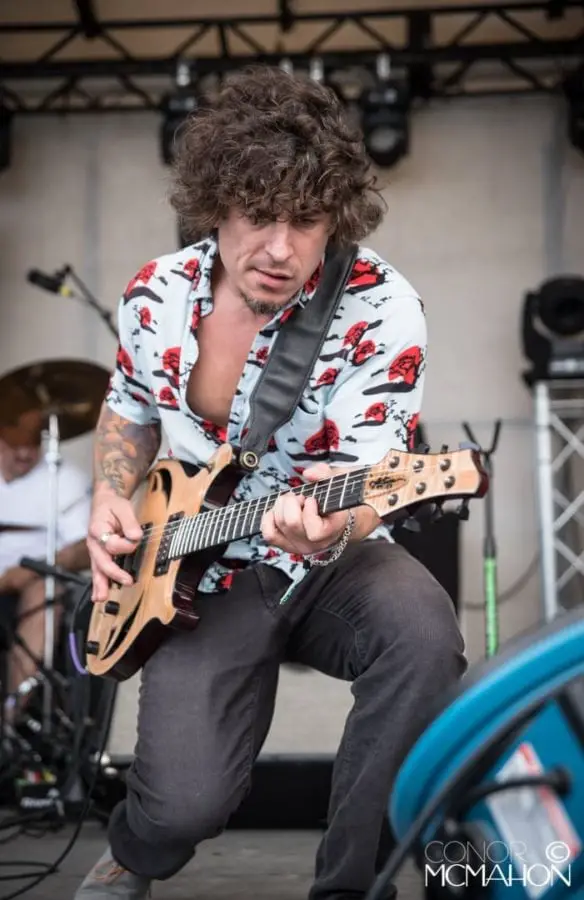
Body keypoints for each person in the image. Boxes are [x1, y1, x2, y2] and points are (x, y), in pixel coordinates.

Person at [76, 65, 466, 900]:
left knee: (423, 636)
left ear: (338, 216)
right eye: (258, 216)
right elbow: (128, 408)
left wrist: (334, 523)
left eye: (306, 219)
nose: (281, 249)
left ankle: (353, 884)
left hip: (326, 553)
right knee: (181, 810)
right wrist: (110, 494)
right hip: (194, 571)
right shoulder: (155, 295)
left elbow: (368, 479)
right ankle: (135, 850)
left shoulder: (380, 307)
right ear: (216, 205)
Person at [0, 409, 91, 701]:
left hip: (33, 582)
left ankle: (11, 711)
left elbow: (85, 549)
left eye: (32, 444)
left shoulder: (63, 478)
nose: (25, 453)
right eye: (15, 444)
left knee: (45, 592)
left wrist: (36, 568)